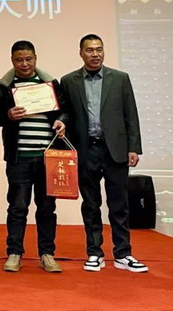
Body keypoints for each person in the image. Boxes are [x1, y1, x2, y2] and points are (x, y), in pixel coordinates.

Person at [60, 34, 148, 273]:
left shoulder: (119, 78)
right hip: (85, 149)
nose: (95, 54)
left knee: (119, 204)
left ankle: (123, 253)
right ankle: (94, 253)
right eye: (90, 50)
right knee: (90, 204)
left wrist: (134, 147)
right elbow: (66, 113)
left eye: (99, 49)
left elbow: (131, 114)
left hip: (115, 149)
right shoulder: (69, 81)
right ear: (81, 53)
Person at [0, 40, 69, 273]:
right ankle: (14, 253)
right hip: (19, 157)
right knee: (17, 207)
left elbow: (65, 110)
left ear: (35, 58)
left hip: (48, 157)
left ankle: (47, 254)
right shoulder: (3, 86)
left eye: (28, 59)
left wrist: (61, 121)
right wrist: (8, 115)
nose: (24, 64)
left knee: (47, 207)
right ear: (12, 60)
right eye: (19, 60)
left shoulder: (50, 83)